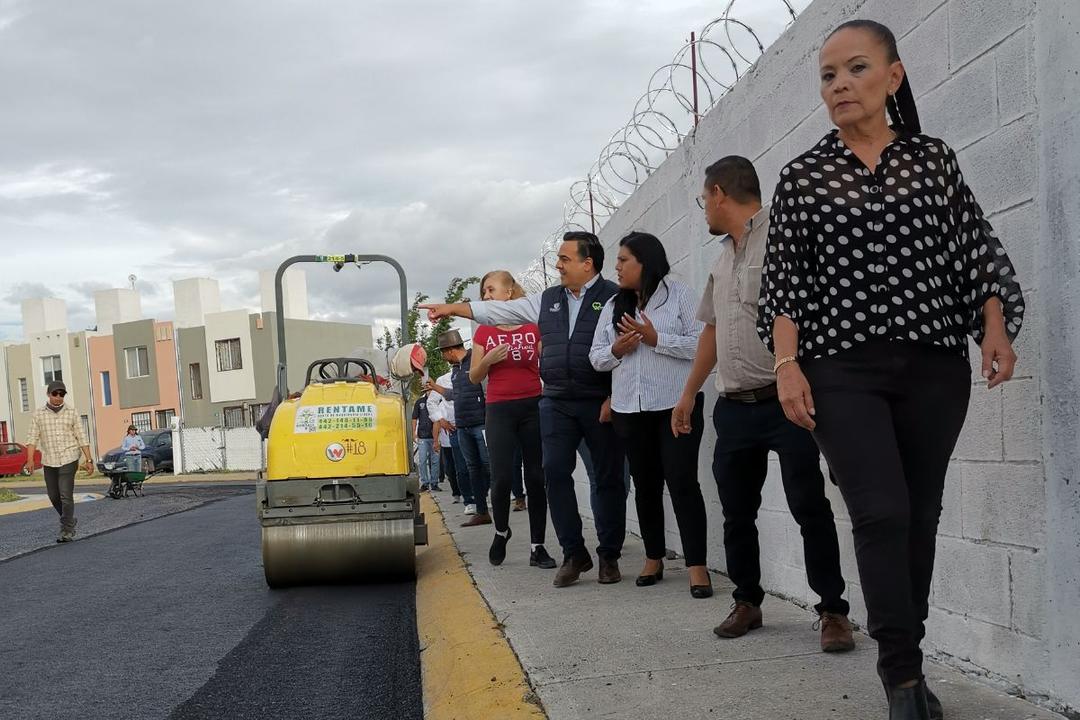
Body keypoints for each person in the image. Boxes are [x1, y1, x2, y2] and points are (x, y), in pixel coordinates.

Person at [757, 20, 1024, 720]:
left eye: (856, 69)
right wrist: (787, 364)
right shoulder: (804, 177)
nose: (840, 84)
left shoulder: (933, 160)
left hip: (935, 366)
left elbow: (976, 251)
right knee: (882, 511)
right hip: (840, 368)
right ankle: (901, 680)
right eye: (828, 76)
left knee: (922, 516)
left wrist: (994, 325)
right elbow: (786, 284)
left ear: (893, 77)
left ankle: (908, 649)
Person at [672, 155, 856, 651]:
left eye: (702, 200)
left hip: (785, 401)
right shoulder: (723, 257)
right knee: (736, 511)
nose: (703, 211)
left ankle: (833, 612)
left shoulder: (784, 236)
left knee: (808, 506)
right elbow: (711, 330)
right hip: (734, 407)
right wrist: (688, 393)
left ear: (717, 194)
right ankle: (747, 601)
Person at [422, 231, 627, 587]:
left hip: (598, 401)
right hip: (556, 402)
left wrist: (615, 395)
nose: (558, 265)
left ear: (587, 262)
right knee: (553, 473)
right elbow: (497, 310)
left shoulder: (613, 296)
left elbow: (627, 349)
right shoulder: (547, 300)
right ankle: (573, 552)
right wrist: (453, 308)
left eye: (564, 259)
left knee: (607, 478)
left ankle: (609, 555)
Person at [590, 231, 711, 597]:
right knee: (644, 486)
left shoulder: (680, 296)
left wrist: (657, 339)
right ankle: (654, 557)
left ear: (646, 262)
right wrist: (618, 347)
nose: (617, 266)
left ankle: (697, 566)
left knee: (683, 482)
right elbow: (596, 357)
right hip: (630, 409)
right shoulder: (614, 305)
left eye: (624, 260)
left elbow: (702, 344)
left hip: (676, 406)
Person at [470, 270, 555, 569]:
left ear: (509, 293)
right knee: (503, 477)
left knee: (536, 477)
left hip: (533, 405)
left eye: (491, 290)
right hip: (499, 408)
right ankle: (501, 531)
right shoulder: (483, 331)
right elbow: (473, 376)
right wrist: (489, 360)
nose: (486, 296)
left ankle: (538, 546)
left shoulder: (533, 328)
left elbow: (549, 363)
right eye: (483, 292)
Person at [435, 329, 493, 527]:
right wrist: (437, 389)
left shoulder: (476, 361)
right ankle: (481, 510)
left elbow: (487, 390)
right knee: (473, 468)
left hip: (481, 424)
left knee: (487, 465)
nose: (443, 357)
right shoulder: (456, 369)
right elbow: (455, 395)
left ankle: (492, 502)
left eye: (443, 352)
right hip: (463, 426)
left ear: (450, 350)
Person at [23, 381, 93, 543]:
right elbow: (32, 438)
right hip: (49, 460)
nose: (58, 397)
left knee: (65, 495)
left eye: (62, 394)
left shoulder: (72, 412)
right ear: (48, 394)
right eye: (55, 394)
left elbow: (81, 436)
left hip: (69, 457)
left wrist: (88, 459)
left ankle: (66, 530)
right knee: (54, 496)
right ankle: (69, 520)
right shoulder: (38, 414)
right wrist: (30, 460)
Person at [426, 369, 471, 508]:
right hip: (451, 430)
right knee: (455, 468)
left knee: (476, 464)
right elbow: (431, 404)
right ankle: (461, 495)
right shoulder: (443, 379)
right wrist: (441, 420)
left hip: (471, 425)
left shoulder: (472, 374)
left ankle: (478, 494)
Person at [411, 389, 440, 492]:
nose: (430, 392)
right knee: (422, 460)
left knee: (435, 461)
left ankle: (434, 483)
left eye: (431, 390)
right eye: (428, 390)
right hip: (422, 436)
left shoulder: (438, 401)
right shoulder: (420, 402)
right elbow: (414, 418)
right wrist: (413, 432)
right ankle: (424, 483)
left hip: (435, 437)